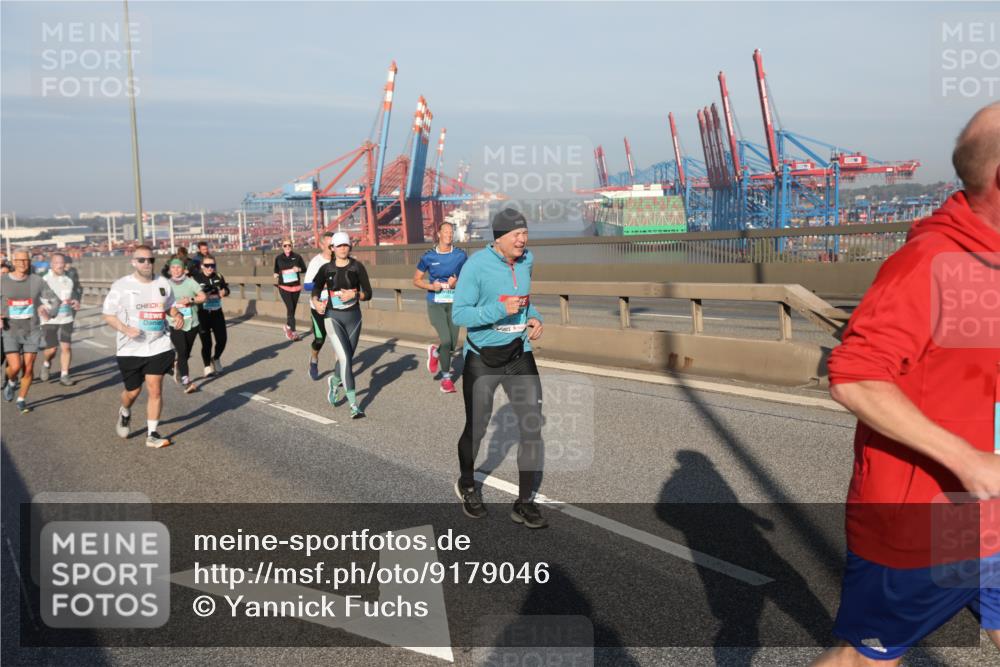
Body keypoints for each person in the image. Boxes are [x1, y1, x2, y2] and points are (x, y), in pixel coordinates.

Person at [814, 102, 1000, 666]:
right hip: (927, 521)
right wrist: (969, 460)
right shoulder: (931, 262)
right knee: (866, 659)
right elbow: (854, 375)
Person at [451, 208, 546, 528]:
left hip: (519, 353)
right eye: (517, 234)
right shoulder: (476, 267)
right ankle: (467, 483)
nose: (523, 239)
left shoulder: (527, 260)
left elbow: (524, 300)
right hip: (482, 358)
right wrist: (497, 310)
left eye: (525, 233)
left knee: (532, 428)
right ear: (500, 238)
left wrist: (534, 317)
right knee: (477, 427)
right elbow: (460, 315)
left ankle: (524, 503)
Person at [102, 245, 184, 448]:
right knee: (132, 392)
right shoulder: (121, 286)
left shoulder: (163, 283)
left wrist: (177, 315)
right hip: (130, 348)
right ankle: (125, 411)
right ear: (133, 262)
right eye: (142, 260)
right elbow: (108, 315)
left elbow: (169, 306)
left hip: (158, 344)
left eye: (150, 260)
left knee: (155, 390)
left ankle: (152, 434)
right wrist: (125, 329)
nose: (146, 263)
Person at [310, 231, 372, 419]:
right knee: (345, 360)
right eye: (339, 246)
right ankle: (354, 405)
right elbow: (315, 288)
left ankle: (334, 381)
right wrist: (316, 301)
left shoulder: (357, 267)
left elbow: (368, 293)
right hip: (332, 317)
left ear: (349, 247)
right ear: (333, 249)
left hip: (354, 318)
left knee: (347, 359)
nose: (343, 249)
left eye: (346, 245)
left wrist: (354, 295)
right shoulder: (326, 269)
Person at [413, 222, 468, 393]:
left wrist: (456, 282)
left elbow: (468, 278)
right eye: (446, 232)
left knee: (451, 345)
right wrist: (432, 286)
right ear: (439, 234)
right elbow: (416, 280)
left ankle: (436, 353)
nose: (449, 235)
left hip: (454, 303)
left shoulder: (460, 255)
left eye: (451, 232)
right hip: (435, 304)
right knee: (445, 340)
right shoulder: (428, 256)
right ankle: (446, 379)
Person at [1, 249, 57, 413]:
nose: (23, 263)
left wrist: (50, 312)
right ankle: (11, 381)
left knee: (29, 367)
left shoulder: (37, 281)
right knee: (15, 366)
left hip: (32, 329)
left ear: (29, 261)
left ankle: (21, 399)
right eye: (19, 260)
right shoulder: (3, 280)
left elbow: (54, 300)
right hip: (10, 329)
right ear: (13, 261)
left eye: (25, 260)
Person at [39, 252, 82, 386]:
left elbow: (73, 296)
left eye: (62, 263)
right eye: (56, 263)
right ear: (51, 264)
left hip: (66, 318)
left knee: (66, 347)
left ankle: (64, 375)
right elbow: (36, 298)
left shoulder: (69, 280)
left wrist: (75, 302)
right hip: (50, 319)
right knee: (52, 349)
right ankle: (46, 363)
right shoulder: (44, 280)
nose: (60, 265)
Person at [166, 258, 206, 392]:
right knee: (182, 350)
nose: (176, 270)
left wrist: (191, 299)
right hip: (174, 322)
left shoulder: (190, 282)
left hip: (192, 322)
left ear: (184, 269)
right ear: (169, 270)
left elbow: (203, 297)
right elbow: (160, 301)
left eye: (179, 267)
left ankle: (177, 365)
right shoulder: (165, 285)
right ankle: (186, 381)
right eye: (173, 268)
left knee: (186, 352)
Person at [303, 231, 335, 380]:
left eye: (334, 244)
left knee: (338, 340)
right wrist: (325, 284)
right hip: (319, 307)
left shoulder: (340, 259)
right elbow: (308, 286)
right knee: (320, 338)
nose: (333, 247)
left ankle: (339, 373)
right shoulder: (316, 262)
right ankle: (314, 360)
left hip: (336, 306)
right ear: (322, 245)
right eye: (330, 245)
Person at [192, 254, 229, 377]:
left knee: (222, 340)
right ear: (202, 266)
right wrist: (201, 298)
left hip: (217, 313)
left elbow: (226, 289)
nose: (210, 268)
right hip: (202, 314)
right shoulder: (196, 279)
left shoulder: (218, 276)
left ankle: (216, 358)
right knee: (207, 343)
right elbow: (191, 296)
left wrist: (224, 292)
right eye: (207, 265)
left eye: (212, 265)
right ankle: (207, 365)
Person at [273, 238, 307, 341]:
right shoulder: (278, 258)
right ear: (282, 247)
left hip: (296, 287)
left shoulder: (297, 257)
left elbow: (304, 269)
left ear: (292, 246)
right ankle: (293, 332)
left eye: (289, 245)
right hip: (284, 287)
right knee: (290, 308)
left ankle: (287, 326)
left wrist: (299, 269)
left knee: (292, 309)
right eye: (285, 246)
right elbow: (276, 270)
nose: (287, 247)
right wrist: (275, 274)